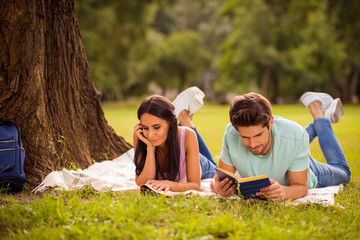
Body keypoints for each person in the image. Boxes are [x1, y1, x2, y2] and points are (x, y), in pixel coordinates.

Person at [211, 92, 351, 201]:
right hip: (290, 145)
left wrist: (284, 192)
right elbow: (218, 178)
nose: (252, 144)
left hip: (307, 170)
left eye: (258, 135)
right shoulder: (231, 133)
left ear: (271, 123)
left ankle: (317, 112)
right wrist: (217, 187)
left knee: (344, 173)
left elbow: (301, 188)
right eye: (245, 137)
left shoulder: (294, 135)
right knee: (293, 139)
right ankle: (319, 121)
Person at [133, 87, 217, 192]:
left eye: (156, 127)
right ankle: (184, 116)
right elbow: (143, 183)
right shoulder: (140, 136)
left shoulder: (188, 135)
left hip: (200, 164)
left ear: (170, 123)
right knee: (183, 134)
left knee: (217, 170)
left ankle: (184, 118)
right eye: (146, 128)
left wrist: (169, 184)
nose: (150, 135)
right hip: (178, 140)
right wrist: (150, 148)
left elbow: (195, 186)